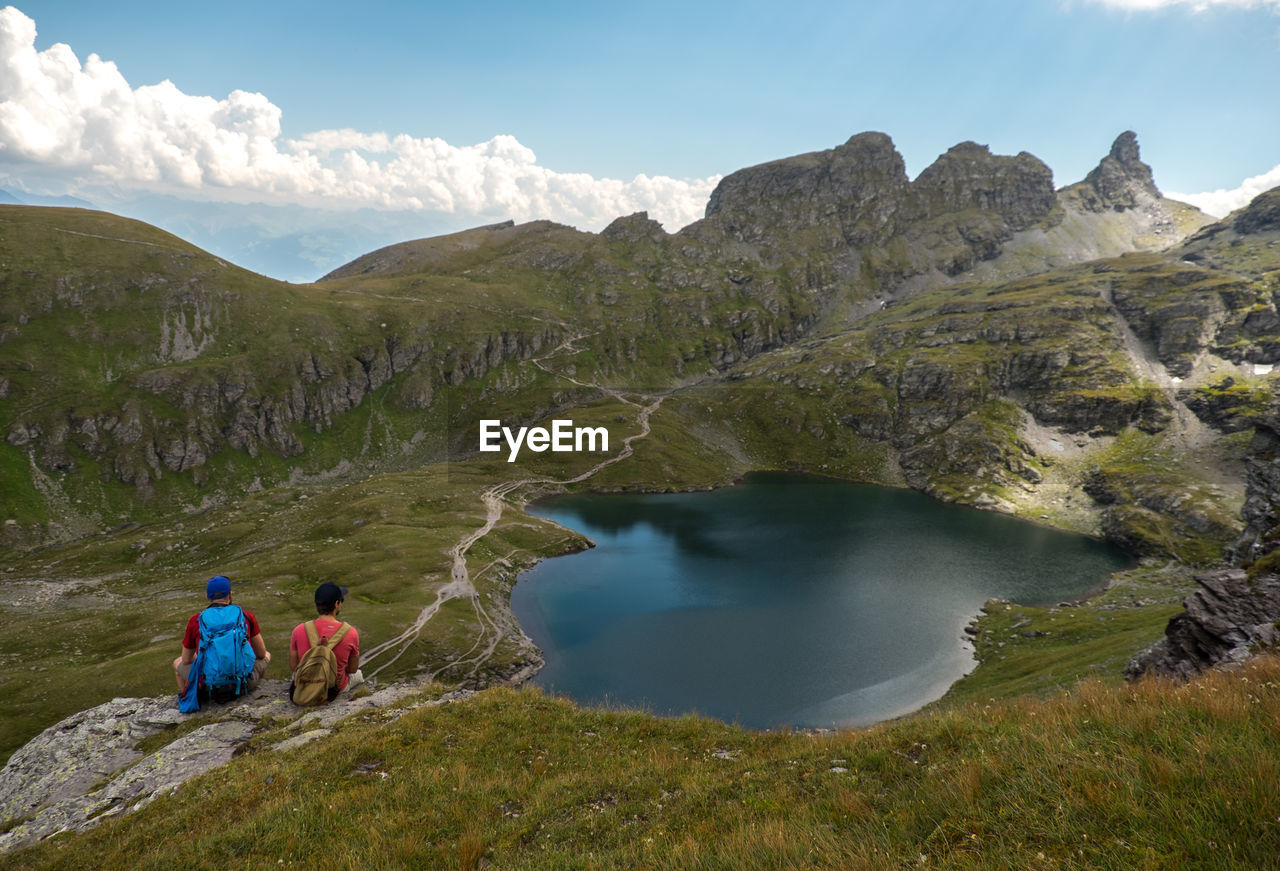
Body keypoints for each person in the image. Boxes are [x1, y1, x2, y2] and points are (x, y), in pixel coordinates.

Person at [174, 575, 271, 703]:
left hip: (210, 685)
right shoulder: (245, 615)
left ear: (207, 597)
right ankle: (253, 691)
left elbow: (186, 659)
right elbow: (261, 653)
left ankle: (192, 696)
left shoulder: (196, 620)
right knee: (266, 655)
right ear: (230, 594)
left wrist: (202, 657)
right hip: (243, 683)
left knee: (177, 662)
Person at [289, 581, 364, 703]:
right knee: (359, 675)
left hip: (305, 683)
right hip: (332, 690)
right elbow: (352, 669)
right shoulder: (350, 632)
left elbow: (293, 666)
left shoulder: (299, 630)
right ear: (336, 604)